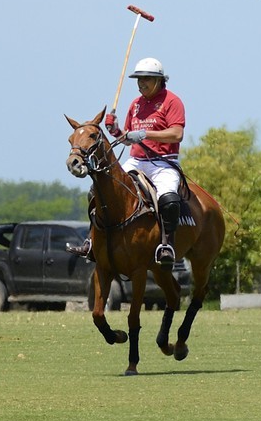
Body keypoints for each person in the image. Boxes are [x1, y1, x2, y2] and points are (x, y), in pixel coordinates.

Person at [68, 57, 187, 265]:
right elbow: (126, 138)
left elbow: (177, 134)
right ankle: (90, 241)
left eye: (146, 79)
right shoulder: (135, 104)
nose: (141, 83)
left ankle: (166, 245)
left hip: (163, 163)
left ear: (159, 80)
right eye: (138, 79)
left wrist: (144, 134)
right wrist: (115, 131)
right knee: (98, 191)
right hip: (136, 161)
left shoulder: (172, 101)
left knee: (168, 199)